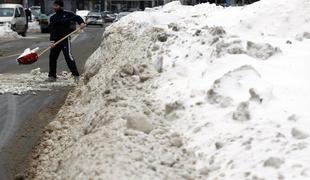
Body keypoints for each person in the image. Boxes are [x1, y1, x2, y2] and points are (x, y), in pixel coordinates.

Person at [48, 0, 86, 82]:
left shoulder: (68, 14)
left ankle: (76, 75)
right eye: (54, 6)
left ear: (61, 7)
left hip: (65, 39)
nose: (54, 7)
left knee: (68, 57)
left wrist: (81, 23)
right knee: (52, 57)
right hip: (56, 41)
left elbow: (77, 18)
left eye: (56, 6)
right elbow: (52, 30)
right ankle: (52, 76)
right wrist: (52, 41)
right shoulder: (53, 18)